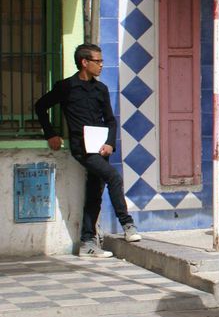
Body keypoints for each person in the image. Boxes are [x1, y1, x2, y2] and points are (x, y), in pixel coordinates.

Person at [35, 43, 140, 258]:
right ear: (85, 63)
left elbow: (111, 120)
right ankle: (127, 224)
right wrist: (51, 133)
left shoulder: (100, 89)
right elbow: (40, 106)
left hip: (101, 149)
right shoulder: (66, 87)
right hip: (81, 148)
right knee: (114, 177)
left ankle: (87, 242)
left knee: (94, 193)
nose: (101, 65)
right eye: (98, 61)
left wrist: (110, 143)